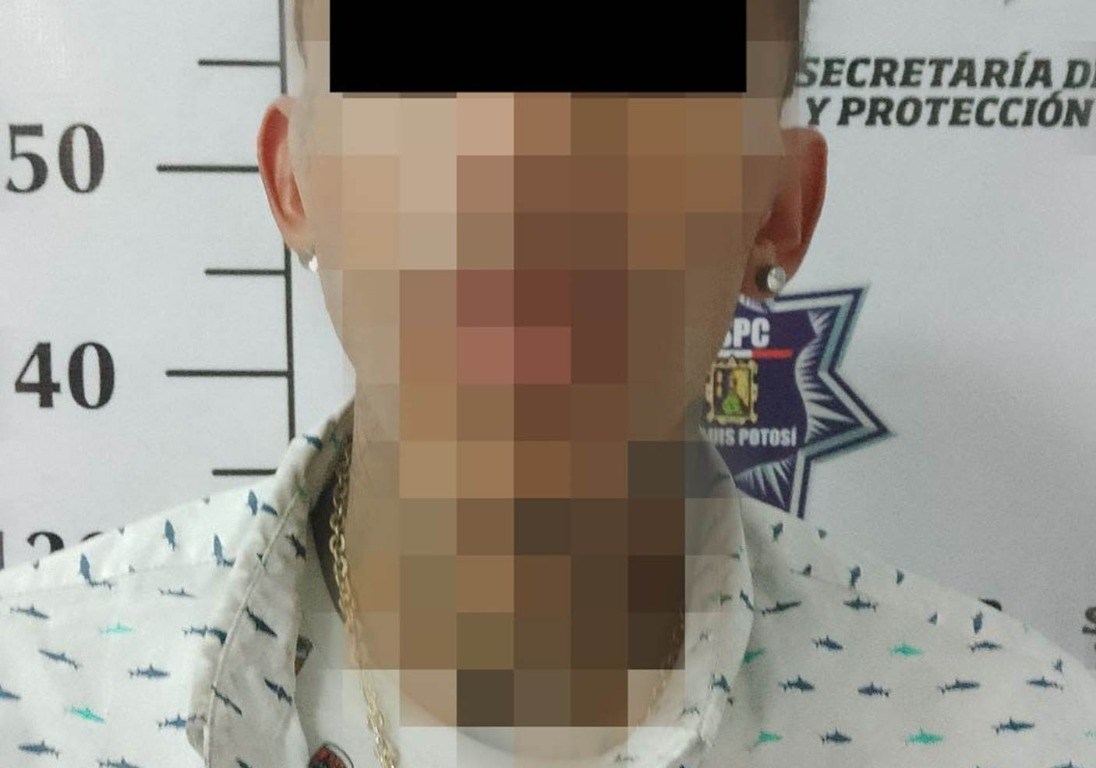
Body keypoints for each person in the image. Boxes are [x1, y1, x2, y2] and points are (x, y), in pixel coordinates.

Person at [3, 1, 1095, 766]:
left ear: (777, 208)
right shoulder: (31, 697)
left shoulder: (1022, 733)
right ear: (298, 181)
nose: (524, 167)